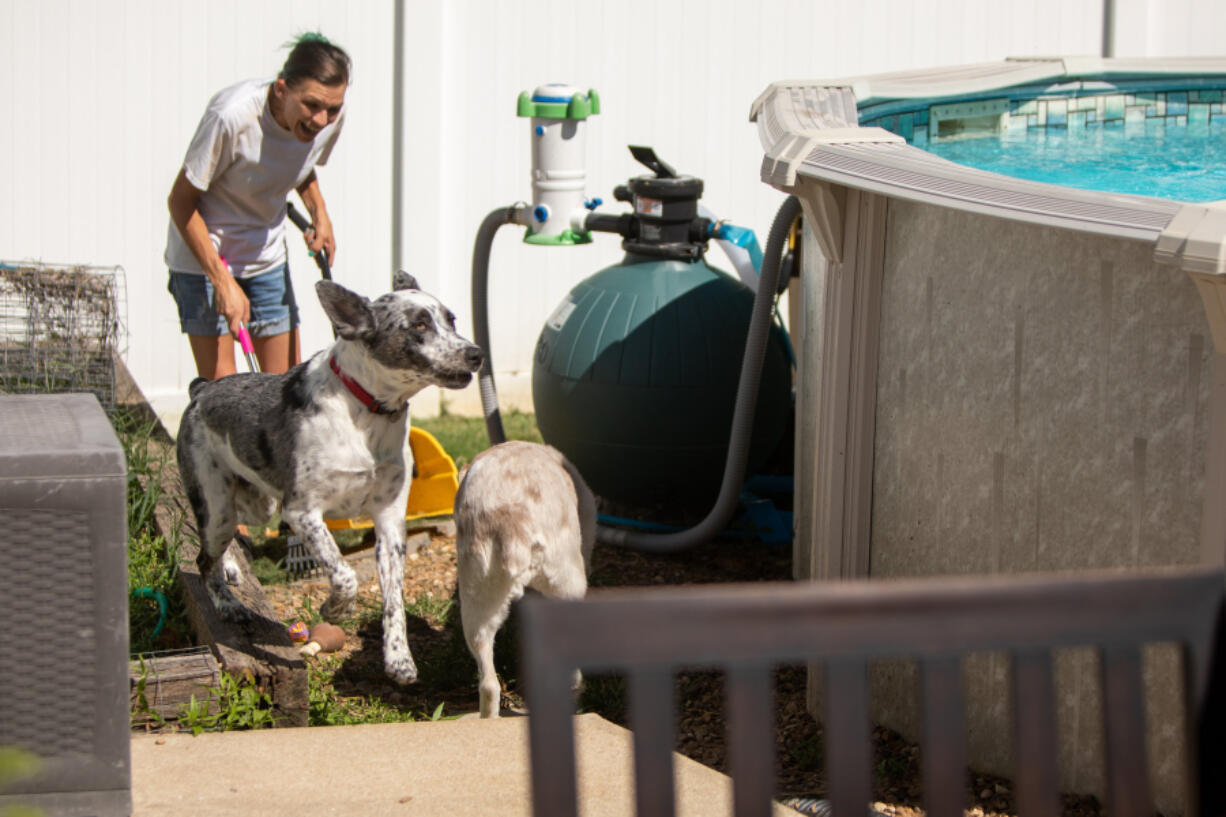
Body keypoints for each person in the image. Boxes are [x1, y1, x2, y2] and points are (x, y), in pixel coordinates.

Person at [165, 33, 350, 379]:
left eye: (333, 108)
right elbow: (179, 201)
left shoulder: (327, 120)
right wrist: (221, 281)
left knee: (284, 387)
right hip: (206, 257)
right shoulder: (231, 117)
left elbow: (300, 163)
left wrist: (319, 213)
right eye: (312, 105)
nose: (323, 119)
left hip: (265, 258)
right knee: (226, 392)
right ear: (281, 90)